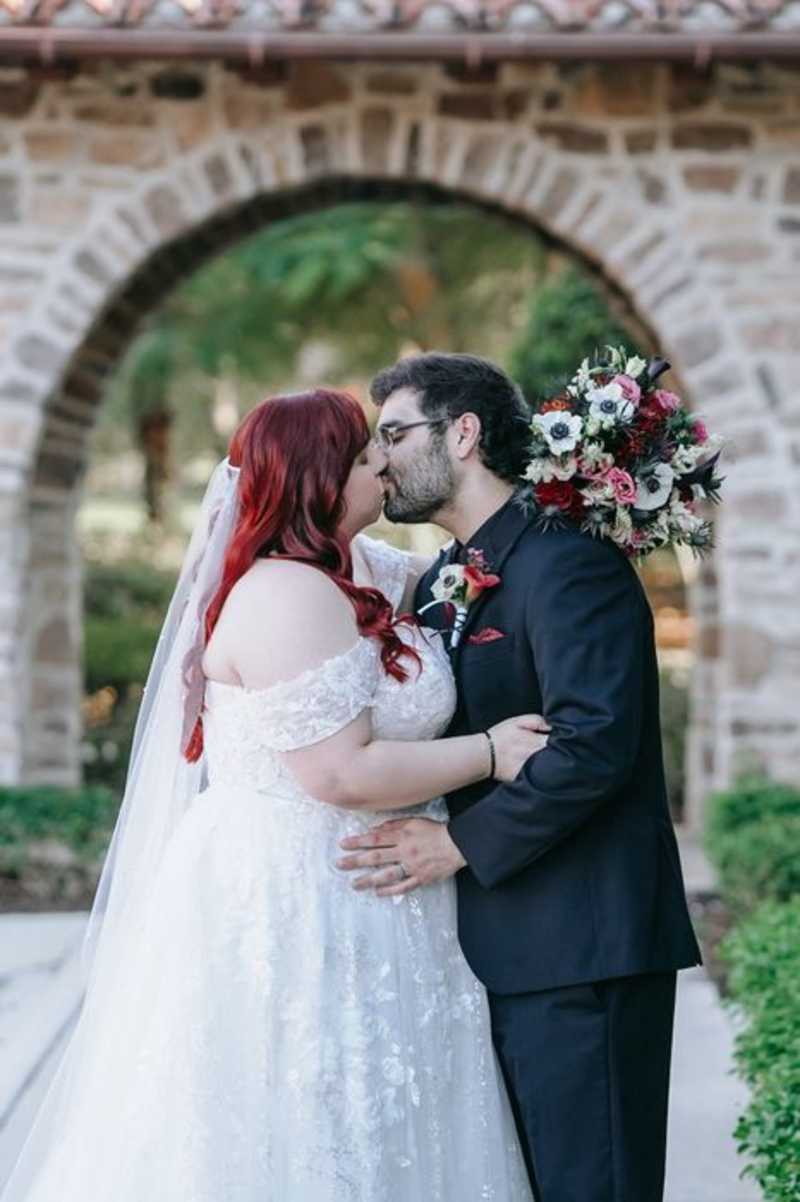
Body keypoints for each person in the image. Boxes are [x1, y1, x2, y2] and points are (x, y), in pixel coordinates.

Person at [1, 388, 547, 1202]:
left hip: (388, 899)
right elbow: (337, 774)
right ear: (319, 478)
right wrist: (491, 753)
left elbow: (466, 574)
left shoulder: (363, 567)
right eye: (365, 455)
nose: (384, 463)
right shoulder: (285, 593)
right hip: (301, 900)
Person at [339, 353, 703, 1202]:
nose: (382, 458)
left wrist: (456, 845)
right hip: (494, 949)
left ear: (463, 434)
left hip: (584, 947)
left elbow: (594, 745)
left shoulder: (570, 561)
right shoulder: (441, 580)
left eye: (395, 434)